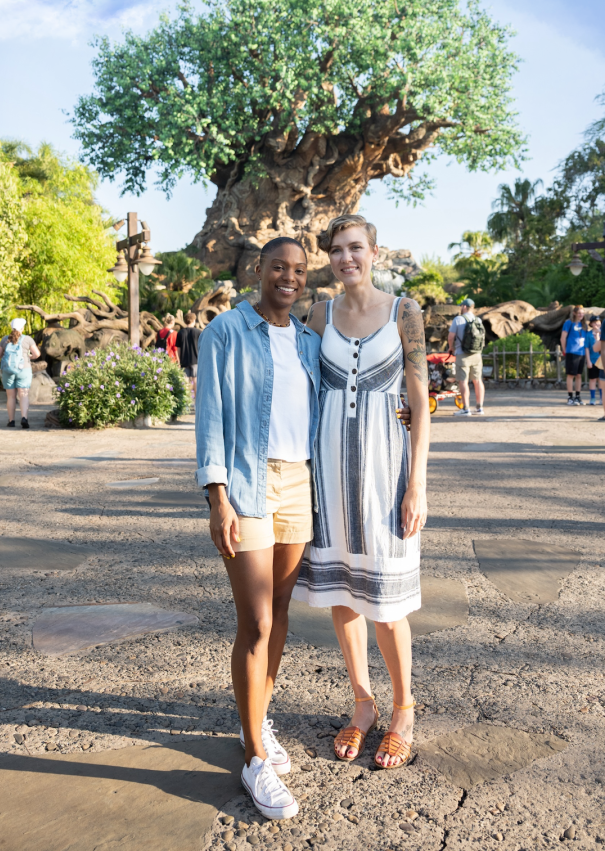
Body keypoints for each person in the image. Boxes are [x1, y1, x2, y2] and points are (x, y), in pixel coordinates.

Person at [294, 214, 430, 771]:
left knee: (388, 604)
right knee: (343, 595)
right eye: (336, 249)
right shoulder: (318, 314)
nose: (345, 257)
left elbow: (419, 403)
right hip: (328, 473)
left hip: (386, 472)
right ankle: (362, 702)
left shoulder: (404, 312)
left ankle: (404, 710)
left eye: (355, 247)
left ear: (374, 252)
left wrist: (417, 483)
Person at [196, 237, 321, 821]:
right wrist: (217, 497)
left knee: (282, 613)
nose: (288, 278)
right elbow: (211, 416)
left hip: (299, 482)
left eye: (298, 270)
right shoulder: (225, 332)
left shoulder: (309, 341)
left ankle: (259, 719)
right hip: (247, 483)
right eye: (278, 267)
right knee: (257, 621)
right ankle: (253, 759)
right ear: (259, 270)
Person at [0, 318, 40, 429]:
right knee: (23, 395)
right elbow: (37, 354)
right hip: (24, 369)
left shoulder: (5, 339)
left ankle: (11, 421)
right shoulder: (27, 339)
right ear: (22, 328)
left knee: (11, 397)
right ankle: (24, 418)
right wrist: (29, 356)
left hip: (8, 370)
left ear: (11, 327)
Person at [447, 298, 486, 416]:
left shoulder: (458, 319)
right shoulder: (478, 319)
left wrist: (451, 347)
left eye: (461, 306)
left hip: (462, 354)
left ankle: (465, 409)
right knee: (477, 380)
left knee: (463, 381)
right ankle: (479, 408)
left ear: (464, 307)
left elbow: (451, 337)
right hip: (476, 354)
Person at [561, 305, 587, 405]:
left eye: (582, 313)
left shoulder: (584, 325)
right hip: (571, 352)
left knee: (579, 375)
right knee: (571, 375)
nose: (581, 315)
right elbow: (563, 338)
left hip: (582, 352)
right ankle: (570, 397)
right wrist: (564, 350)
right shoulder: (568, 323)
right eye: (579, 313)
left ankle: (577, 397)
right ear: (574, 313)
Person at [176, 311, 201, 401]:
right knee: (195, 381)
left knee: (185, 381)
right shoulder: (198, 332)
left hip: (184, 360)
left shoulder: (180, 333)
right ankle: (197, 402)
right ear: (193, 320)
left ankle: (185, 401)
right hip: (196, 360)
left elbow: (178, 349)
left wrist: (179, 360)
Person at [585, 316, 602, 406]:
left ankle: (602, 398)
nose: (597, 324)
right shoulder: (588, 335)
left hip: (601, 360)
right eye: (595, 322)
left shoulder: (603, 333)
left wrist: (599, 334)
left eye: (598, 322)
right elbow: (587, 348)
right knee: (592, 379)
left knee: (601, 380)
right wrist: (588, 361)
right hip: (592, 360)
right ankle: (592, 398)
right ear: (591, 324)